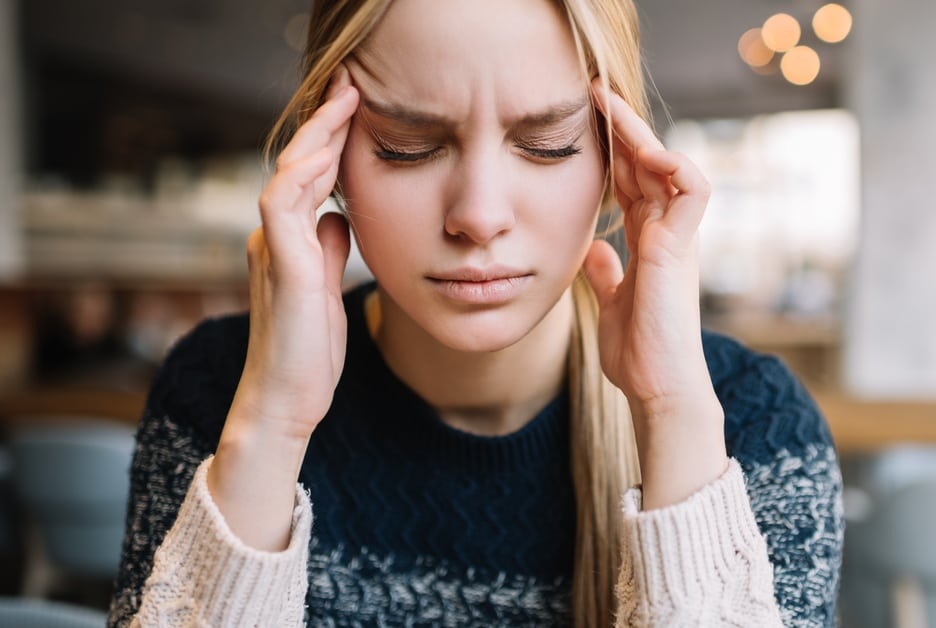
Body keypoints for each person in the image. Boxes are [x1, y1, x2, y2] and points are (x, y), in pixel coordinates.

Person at [107, 0, 843, 625]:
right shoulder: (217, 393)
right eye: (408, 147)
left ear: (619, 155)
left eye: (548, 144)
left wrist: (675, 413)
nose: (479, 217)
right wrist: (271, 424)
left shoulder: (753, 429)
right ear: (323, 154)